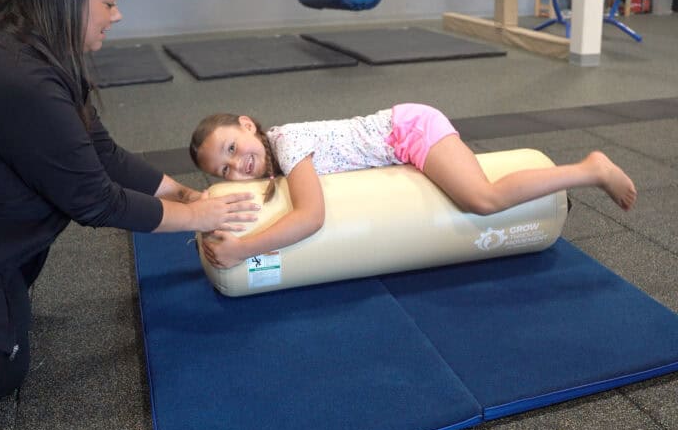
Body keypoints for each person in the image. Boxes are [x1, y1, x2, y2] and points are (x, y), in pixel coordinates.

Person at [0, 0, 258, 412]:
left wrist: (185, 194)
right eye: (109, 3)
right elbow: (96, 200)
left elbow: (103, 154)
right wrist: (201, 218)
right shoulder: (17, 77)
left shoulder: (34, 52)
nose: (117, 16)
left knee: (16, 302)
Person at [189, 103, 637, 269]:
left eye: (231, 146)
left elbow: (312, 216)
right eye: (224, 171)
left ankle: (590, 168)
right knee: (480, 195)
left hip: (410, 130)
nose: (236, 164)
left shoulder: (286, 143)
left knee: (482, 199)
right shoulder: (273, 165)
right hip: (399, 143)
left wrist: (245, 250)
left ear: (248, 124)